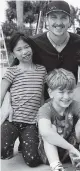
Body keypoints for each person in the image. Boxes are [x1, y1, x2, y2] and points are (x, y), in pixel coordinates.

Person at [1, 32, 46, 167]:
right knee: (3, 152)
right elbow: (1, 94)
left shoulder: (42, 70)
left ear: (31, 48)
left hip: (31, 123)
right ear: (14, 54)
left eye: (26, 47)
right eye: (19, 49)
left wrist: (42, 117)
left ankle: (23, 142)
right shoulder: (12, 71)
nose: (24, 51)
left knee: (33, 160)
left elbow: (41, 96)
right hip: (12, 121)